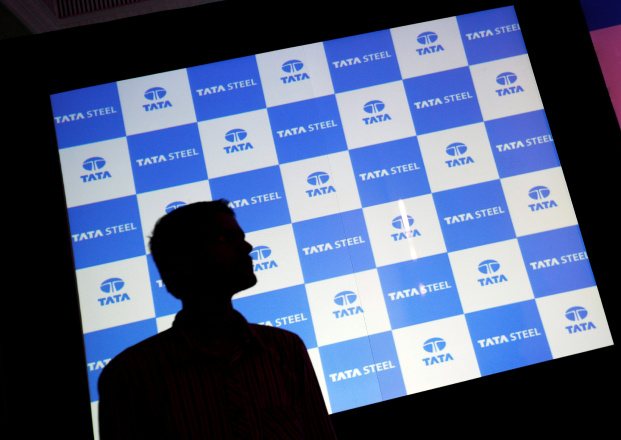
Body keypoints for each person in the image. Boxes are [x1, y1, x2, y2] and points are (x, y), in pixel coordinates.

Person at [98, 200, 337, 439]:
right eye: (224, 238)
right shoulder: (131, 375)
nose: (247, 247)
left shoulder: (287, 349)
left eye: (241, 237)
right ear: (183, 263)